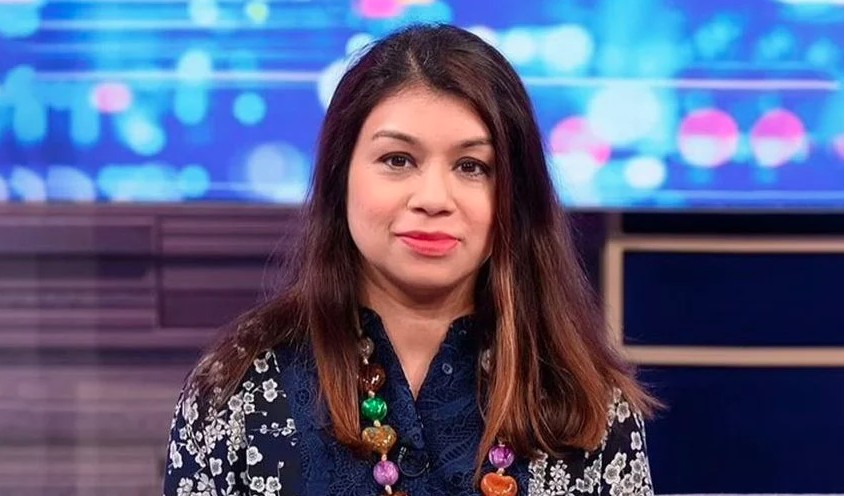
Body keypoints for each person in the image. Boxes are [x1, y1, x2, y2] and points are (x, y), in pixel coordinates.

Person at [162, 23, 659, 496]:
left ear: (516, 196)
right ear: (340, 176)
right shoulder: (239, 388)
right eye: (397, 160)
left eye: (472, 166)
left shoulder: (588, 406)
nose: (433, 199)